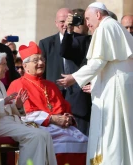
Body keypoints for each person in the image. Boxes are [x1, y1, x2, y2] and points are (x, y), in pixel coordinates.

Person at [57, 2, 133, 165]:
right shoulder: (115, 26)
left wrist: (74, 78)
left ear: (98, 15)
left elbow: (97, 62)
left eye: (87, 18)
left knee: (111, 130)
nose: (86, 23)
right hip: (117, 83)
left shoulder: (105, 27)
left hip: (114, 88)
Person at [7, 41, 88, 165]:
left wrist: (68, 118)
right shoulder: (17, 84)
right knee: (58, 144)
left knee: (86, 142)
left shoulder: (50, 85)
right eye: (36, 60)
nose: (41, 63)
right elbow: (23, 115)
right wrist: (52, 119)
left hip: (61, 128)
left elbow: (64, 107)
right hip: (39, 128)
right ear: (25, 65)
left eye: (42, 59)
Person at [0, 51, 57, 165]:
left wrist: (17, 106)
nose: (7, 68)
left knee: (45, 135)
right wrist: (3, 102)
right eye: (4, 64)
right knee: (34, 136)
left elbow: (5, 107)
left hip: (4, 122)